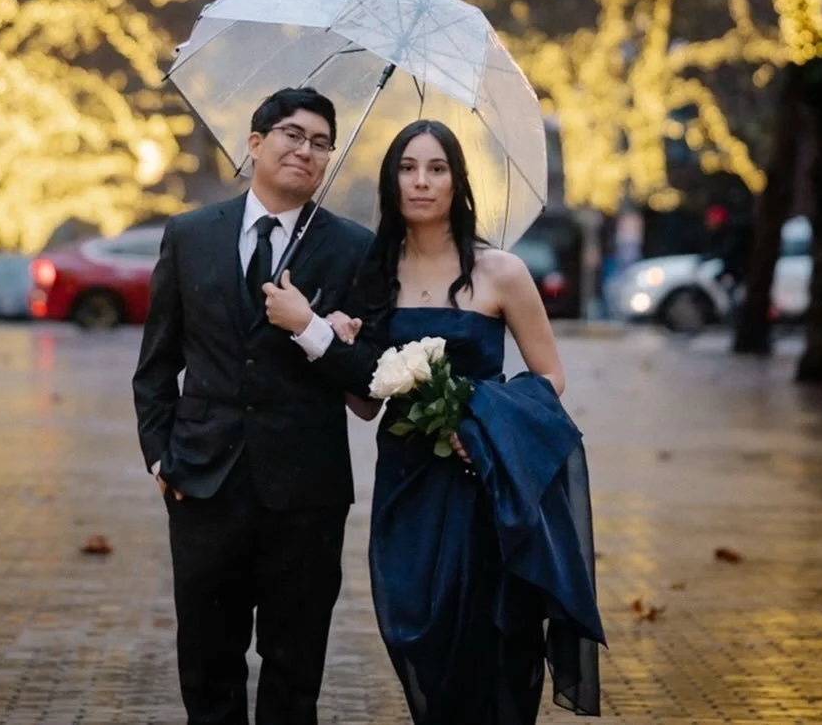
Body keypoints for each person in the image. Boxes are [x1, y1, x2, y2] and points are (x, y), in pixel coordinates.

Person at [132, 87, 388, 725]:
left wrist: (312, 329)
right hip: (203, 484)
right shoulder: (190, 235)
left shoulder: (354, 248)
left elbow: (370, 382)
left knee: (294, 675)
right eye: (292, 135)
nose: (306, 150)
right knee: (207, 669)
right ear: (254, 144)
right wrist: (162, 459)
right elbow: (156, 365)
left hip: (306, 496)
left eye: (321, 143)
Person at [337, 120, 606, 723]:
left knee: (490, 637)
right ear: (390, 182)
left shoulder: (501, 271)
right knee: (415, 631)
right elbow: (364, 404)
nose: (421, 181)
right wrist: (341, 346)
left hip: (485, 482)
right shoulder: (372, 275)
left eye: (437, 168)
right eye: (407, 168)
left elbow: (550, 376)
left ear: (457, 182)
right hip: (407, 486)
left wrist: (482, 422)